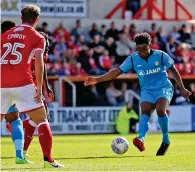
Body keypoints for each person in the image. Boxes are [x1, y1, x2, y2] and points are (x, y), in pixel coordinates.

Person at [84, 32, 191, 156]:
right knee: (145, 110)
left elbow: (174, 70)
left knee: (161, 110)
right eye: (138, 49)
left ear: (149, 45)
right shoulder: (133, 58)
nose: (141, 52)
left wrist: (182, 89)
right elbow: (115, 73)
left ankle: (166, 140)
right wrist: (97, 79)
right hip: (147, 90)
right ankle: (141, 139)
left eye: (144, 49)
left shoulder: (161, 55)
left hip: (163, 87)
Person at [1, 5, 63, 168]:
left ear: (21, 18)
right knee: (42, 120)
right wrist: (40, 87)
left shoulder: (5, 35)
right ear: (37, 20)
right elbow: (39, 61)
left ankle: (23, 152)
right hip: (23, 83)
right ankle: (48, 160)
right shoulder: (37, 36)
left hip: (1, 84)